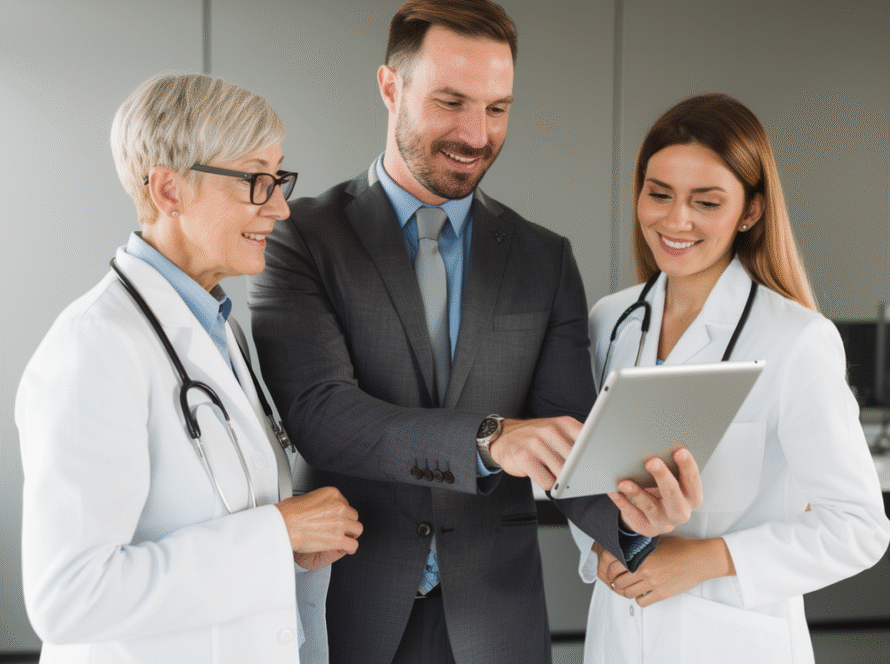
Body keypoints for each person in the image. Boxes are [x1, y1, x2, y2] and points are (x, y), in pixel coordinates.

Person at [248, 2, 701, 662]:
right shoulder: (302, 240)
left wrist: (632, 518)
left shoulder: (543, 257)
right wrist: (489, 440)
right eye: (452, 102)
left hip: (497, 621)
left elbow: (565, 433)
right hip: (353, 607)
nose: (476, 133)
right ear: (390, 87)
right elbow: (322, 415)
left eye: (496, 108)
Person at [16, 72, 363, 664]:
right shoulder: (94, 346)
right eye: (256, 180)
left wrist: (289, 550)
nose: (280, 206)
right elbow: (69, 597)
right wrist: (275, 534)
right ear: (169, 190)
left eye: (278, 178)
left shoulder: (216, 327)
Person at [573, 93, 890, 664]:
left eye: (707, 202)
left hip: (732, 643)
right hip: (618, 637)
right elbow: (584, 478)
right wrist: (600, 541)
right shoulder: (610, 322)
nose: (676, 220)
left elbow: (859, 529)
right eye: (659, 193)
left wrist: (706, 558)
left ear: (750, 212)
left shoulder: (797, 340)